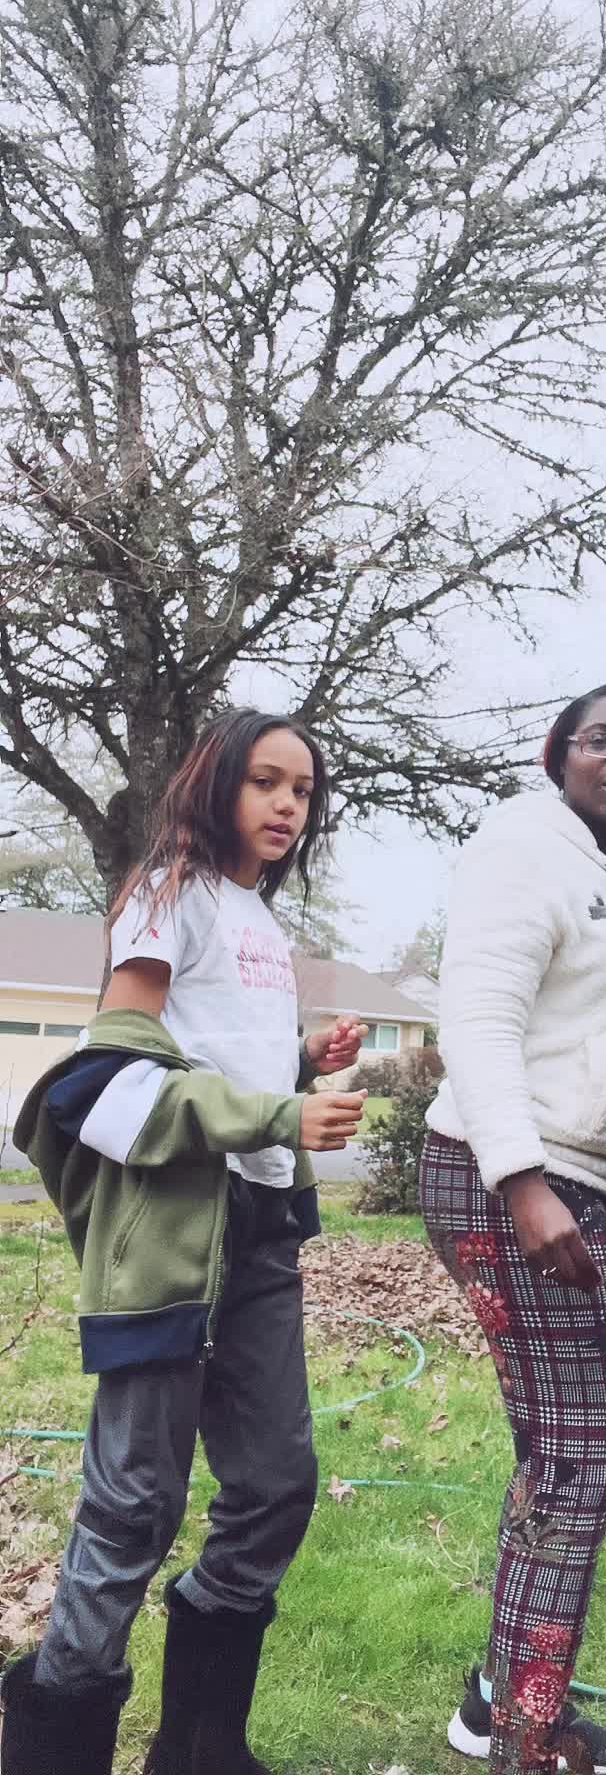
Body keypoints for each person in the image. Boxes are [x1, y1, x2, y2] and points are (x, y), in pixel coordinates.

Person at [2, 709, 367, 1775]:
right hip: (168, 1241)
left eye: (303, 789)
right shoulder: (166, 893)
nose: (288, 805)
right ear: (216, 783)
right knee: (134, 1508)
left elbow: (215, 1062)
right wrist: (278, 1112)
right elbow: (111, 1087)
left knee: (275, 1486)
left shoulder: (257, 917)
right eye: (266, 781)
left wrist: (299, 1061)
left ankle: (202, 1751)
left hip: (259, 1236)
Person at [420, 681, 606, 1775]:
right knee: (583, 1457)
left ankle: (500, 1700)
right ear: (559, 753)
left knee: (565, 1451)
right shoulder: (520, 848)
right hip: (515, 1179)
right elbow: (479, 1020)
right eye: (601, 739)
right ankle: (528, 1740)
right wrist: (523, 1180)